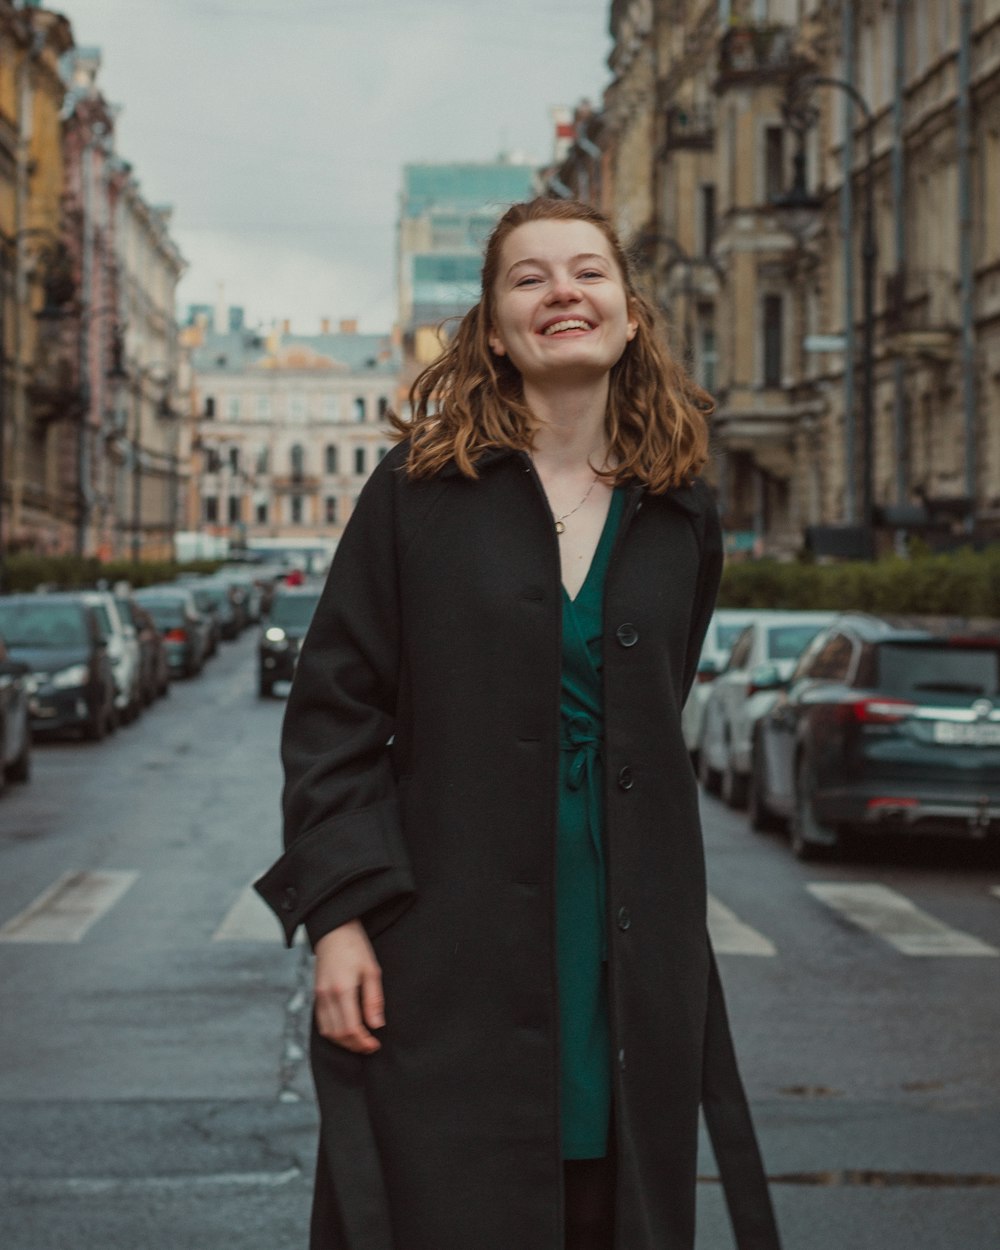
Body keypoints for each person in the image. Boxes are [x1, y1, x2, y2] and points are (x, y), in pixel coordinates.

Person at [256, 197, 780, 1250]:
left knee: (612, 1200)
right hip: (445, 948)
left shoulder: (680, 505)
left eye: (586, 272)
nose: (561, 293)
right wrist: (341, 918)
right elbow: (333, 718)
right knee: (444, 1205)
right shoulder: (417, 492)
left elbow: (654, 701)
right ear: (493, 328)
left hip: (628, 945)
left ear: (629, 314)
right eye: (528, 277)